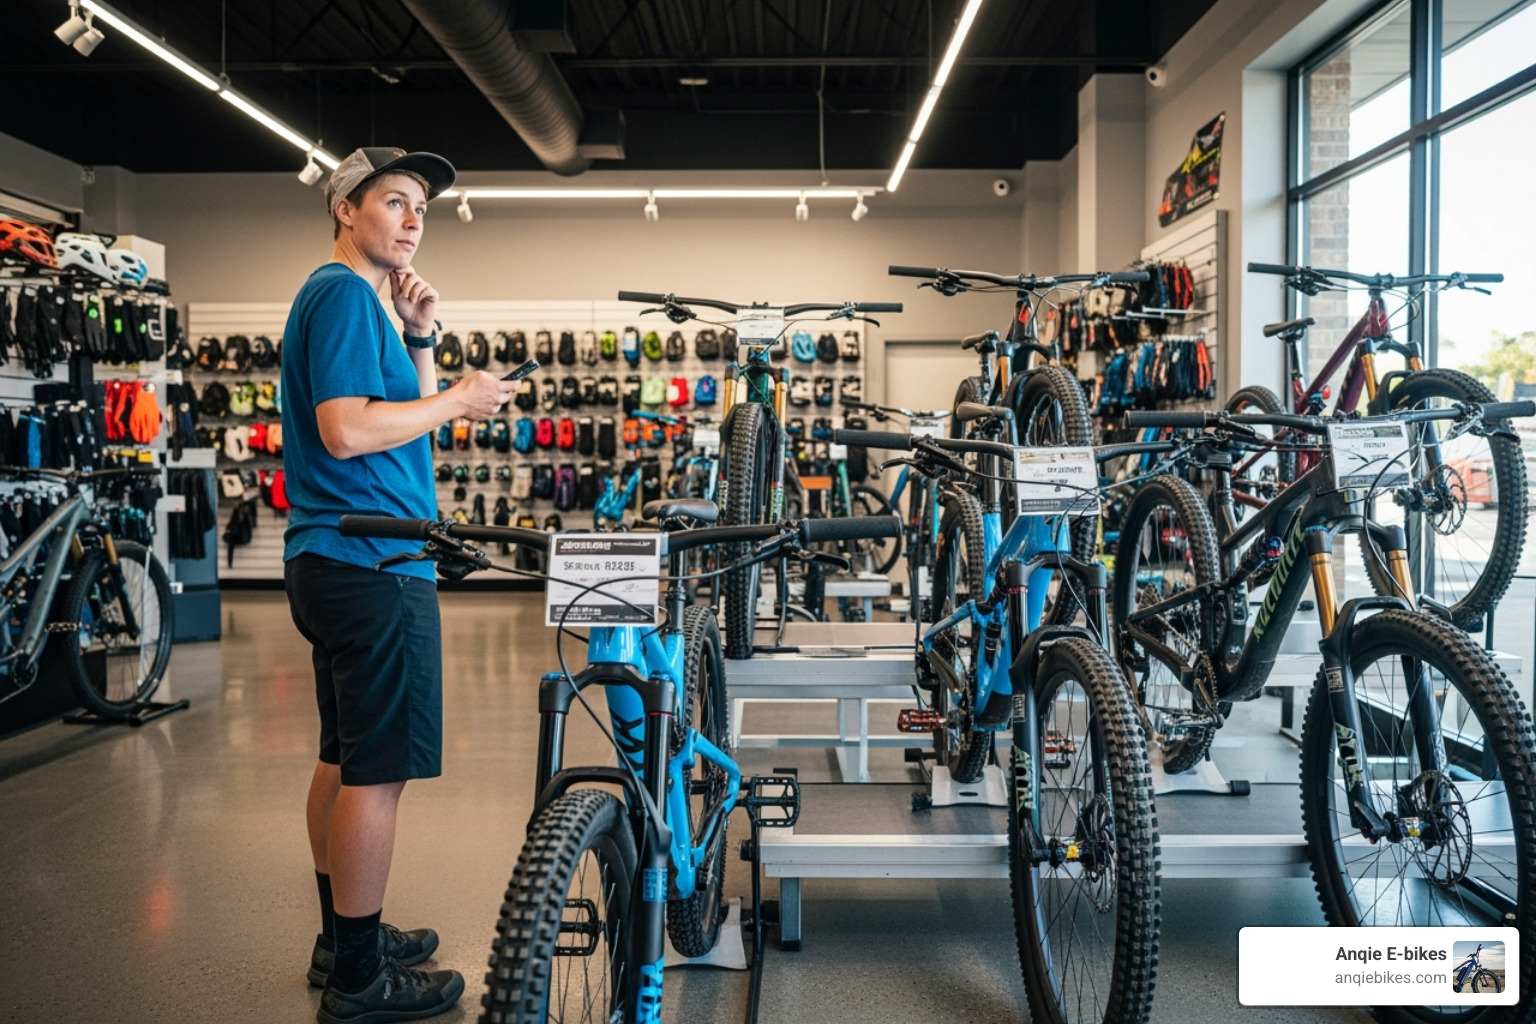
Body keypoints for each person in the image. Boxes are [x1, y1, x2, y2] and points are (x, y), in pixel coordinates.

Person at [281, 146, 514, 1024]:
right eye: (394, 201)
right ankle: (359, 981)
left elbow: (406, 432)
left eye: (422, 207)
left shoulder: (363, 301)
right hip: (373, 563)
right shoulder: (342, 293)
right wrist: (459, 396)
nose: (414, 219)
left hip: (342, 556)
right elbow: (345, 432)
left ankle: (343, 942)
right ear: (346, 209)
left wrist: (420, 338)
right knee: (377, 776)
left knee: (345, 760)